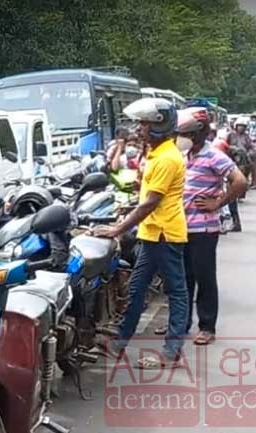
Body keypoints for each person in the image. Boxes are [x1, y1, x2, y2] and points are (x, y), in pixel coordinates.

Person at [94, 97, 188, 369]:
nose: (139, 129)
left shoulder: (167, 158)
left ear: (160, 126)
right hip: (152, 232)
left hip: (164, 233)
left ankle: (171, 352)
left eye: (145, 124)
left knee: (177, 292)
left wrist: (116, 229)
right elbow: (146, 196)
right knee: (136, 288)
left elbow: (151, 202)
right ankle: (119, 343)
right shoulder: (157, 154)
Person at [176, 108, 248, 344]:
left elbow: (240, 181)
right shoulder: (184, 156)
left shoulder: (214, 156)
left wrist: (218, 202)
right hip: (181, 227)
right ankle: (181, 322)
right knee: (183, 278)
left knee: (204, 277)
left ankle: (207, 326)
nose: (181, 136)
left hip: (204, 229)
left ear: (199, 134)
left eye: (185, 133)